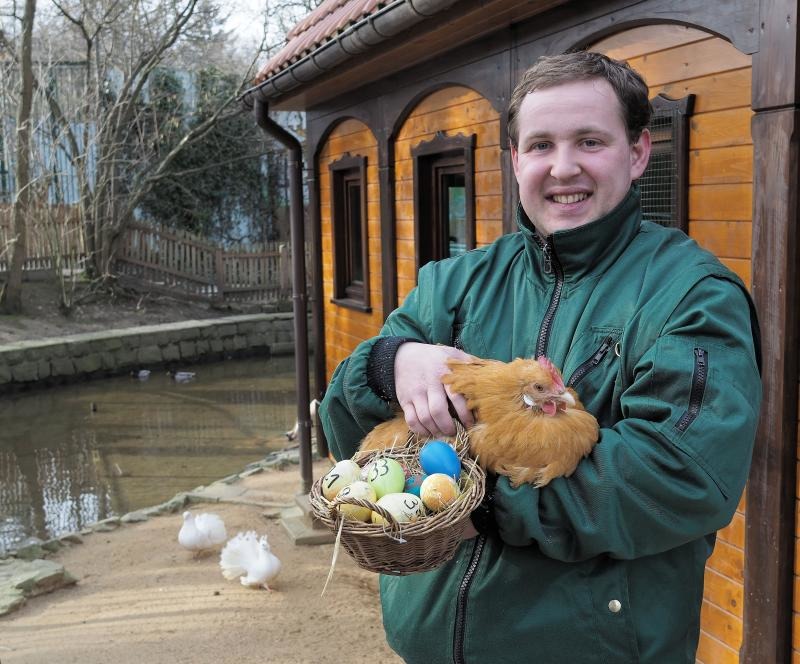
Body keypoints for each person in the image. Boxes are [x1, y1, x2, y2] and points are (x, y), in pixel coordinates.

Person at [319, 51, 762, 664]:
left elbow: (680, 475)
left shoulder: (690, 296)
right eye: (540, 144)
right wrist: (385, 364)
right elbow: (350, 437)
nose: (563, 167)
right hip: (428, 647)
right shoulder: (455, 284)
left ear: (637, 154)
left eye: (589, 140)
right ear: (515, 160)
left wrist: (483, 507)